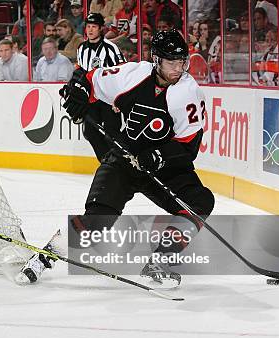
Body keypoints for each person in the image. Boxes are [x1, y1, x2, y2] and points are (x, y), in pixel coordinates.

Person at [17, 30, 214, 289]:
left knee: (200, 202)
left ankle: (160, 262)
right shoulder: (132, 75)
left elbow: (189, 148)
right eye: (171, 63)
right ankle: (44, 257)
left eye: (182, 62)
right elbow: (87, 81)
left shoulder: (188, 93)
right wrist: (77, 93)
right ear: (156, 60)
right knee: (95, 223)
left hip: (162, 167)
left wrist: (156, 156)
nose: (178, 69)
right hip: (124, 160)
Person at [76, 12, 126, 161]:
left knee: (112, 133)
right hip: (91, 98)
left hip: (109, 99)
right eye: (88, 26)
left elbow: (123, 72)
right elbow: (81, 71)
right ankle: (106, 162)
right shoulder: (81, 49)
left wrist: (120, 98)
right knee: (90, 132)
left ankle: (119, 163)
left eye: (94, 27)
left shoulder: (111, 48)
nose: (90, 30)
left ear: (101, 29)